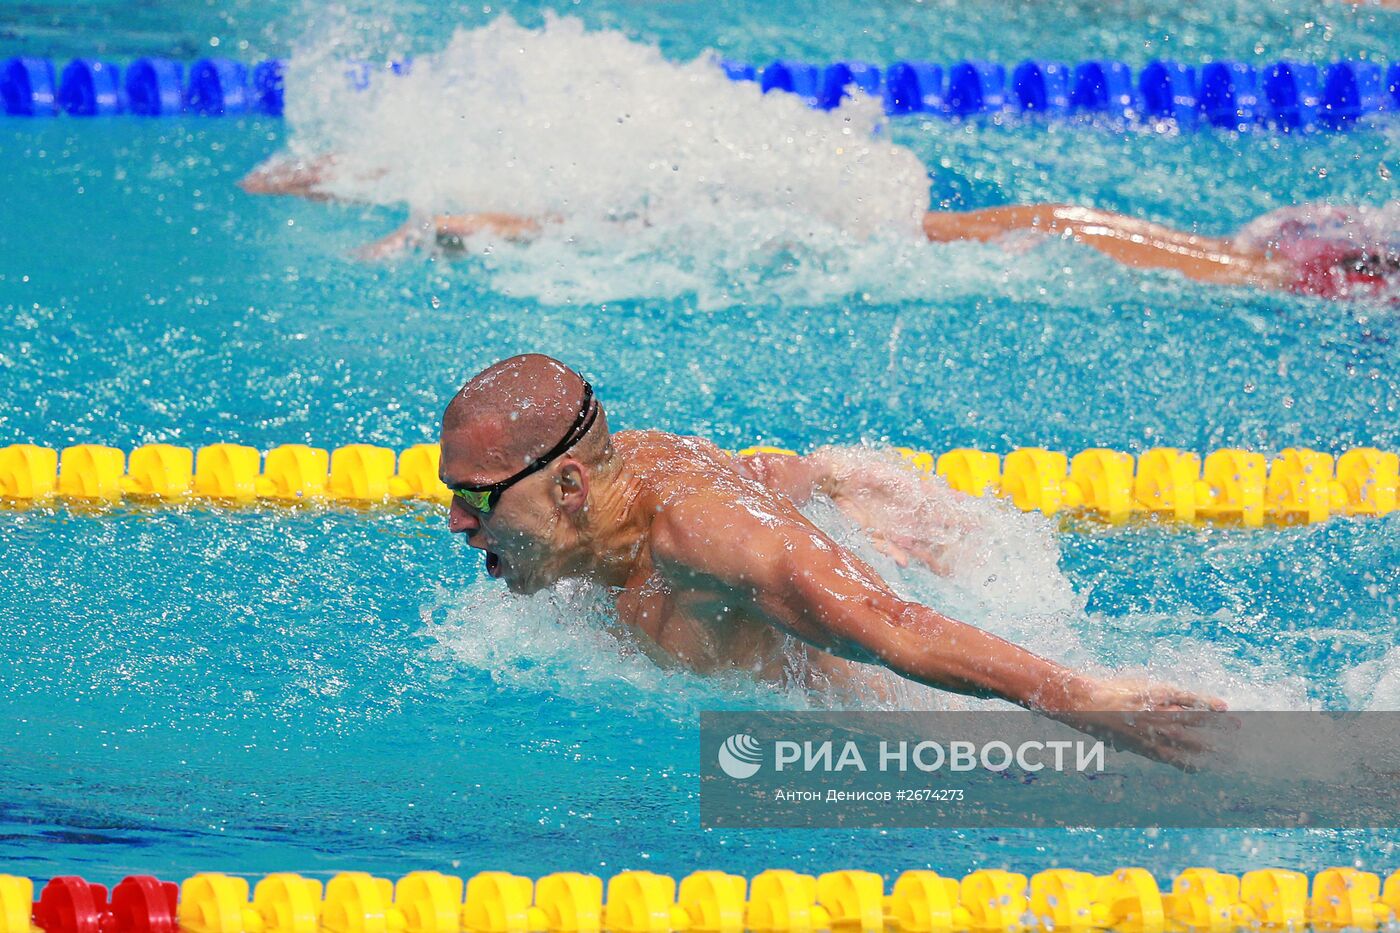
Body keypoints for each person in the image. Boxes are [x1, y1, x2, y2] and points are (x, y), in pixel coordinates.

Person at [437, 353, 1227, 768]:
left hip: (917, 745)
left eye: (477, 498)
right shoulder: (610, 491)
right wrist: (825, 477)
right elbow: (751, 472)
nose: (457, 522)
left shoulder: (697, 541)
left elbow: (892, 623)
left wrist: (1078, 693)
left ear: (568, 484)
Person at [240, 158, 1397, 299]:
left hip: (1233, 258)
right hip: (1071, 236)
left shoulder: (1335, 251)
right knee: (798, 230)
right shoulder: (1340, 269)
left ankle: (450, 201)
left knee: (771, 224)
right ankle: (464, 211)